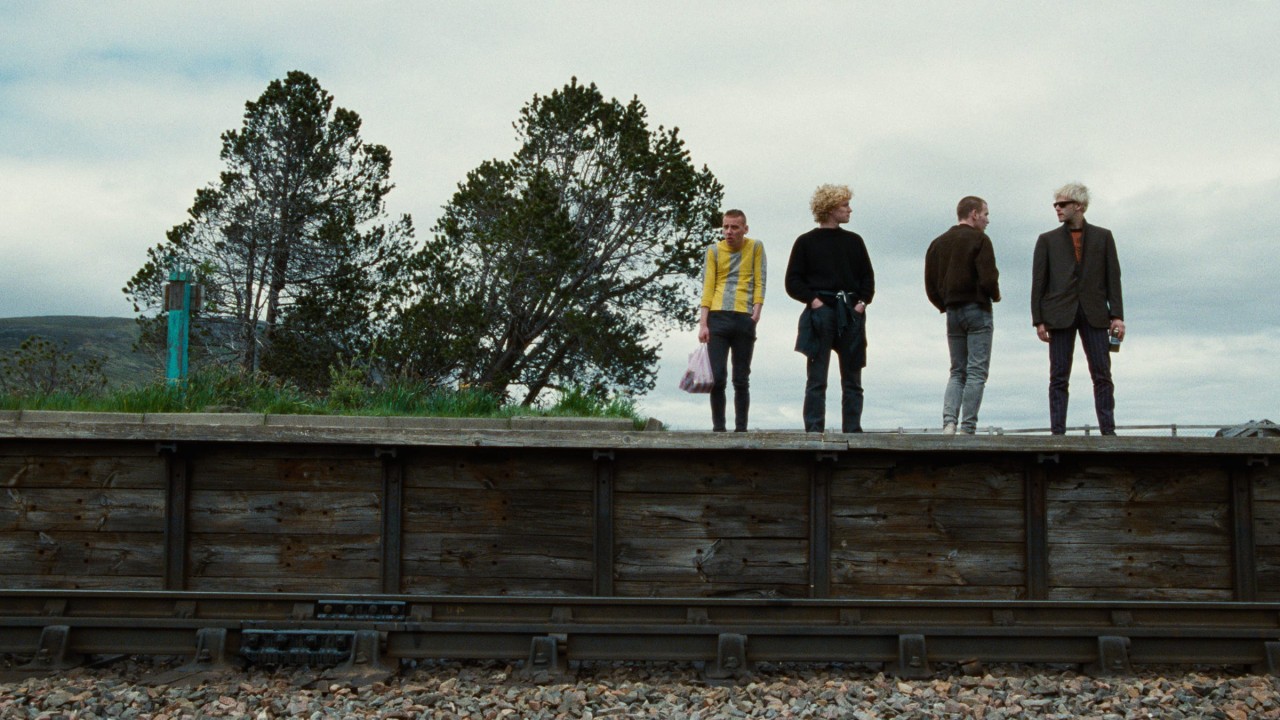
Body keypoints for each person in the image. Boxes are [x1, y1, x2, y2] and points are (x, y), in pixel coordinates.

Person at [1030, 182, 1125, 435]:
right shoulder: (1047, 240)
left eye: (1062, 204)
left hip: (1095, 313)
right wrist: (1038, 320)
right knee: (1059, 376)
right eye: (1055, 205)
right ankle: (1057, 433)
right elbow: (1038, 282)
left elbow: (1113, 278)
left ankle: (1108, 432)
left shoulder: (1104, 237)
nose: (1057, 209)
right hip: (1059, 315)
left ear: (1079, 206)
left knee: (1102, 374)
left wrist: (1117, 315)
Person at [784, 184, 875, 433]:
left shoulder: (854, 241)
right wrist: (814, 301)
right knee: (816, 378)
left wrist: (861, 303)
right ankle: (814, 432)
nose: (849, 210)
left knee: (853, 379)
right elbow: (792, 281)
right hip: (820, 313)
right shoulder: (805, 242)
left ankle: (853, 432)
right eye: (845, 205)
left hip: (850, 312)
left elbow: (867, 277)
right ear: (831, 208)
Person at [925, 196, 1002, 436]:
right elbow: (988, 277)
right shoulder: (980, 240)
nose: (987, 220)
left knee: (957, 371)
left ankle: (949, 423)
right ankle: (967, 428)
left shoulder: (938, 243)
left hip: (953, 312)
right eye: (985, 214)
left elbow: (930, 284)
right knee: (977, 371)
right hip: (977, 308)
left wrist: (944, 304)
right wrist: (995, 295)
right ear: (974, 214)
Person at [698, 209, 766, 432]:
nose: (729, 231)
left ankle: (741, 429)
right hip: (718, 316)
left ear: (745, 229)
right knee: (717, 377)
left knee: (741, 378)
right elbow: (708, 286)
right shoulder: (713, 250)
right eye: (725, 227)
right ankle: (719, 429)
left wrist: (756, 311)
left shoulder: (755, 247)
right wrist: (703, 323)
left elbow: (760, 279)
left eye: (734, 227)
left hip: (744, 317)